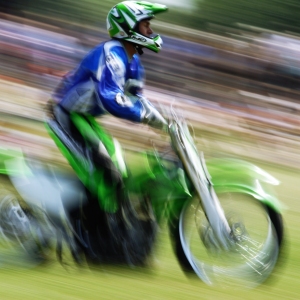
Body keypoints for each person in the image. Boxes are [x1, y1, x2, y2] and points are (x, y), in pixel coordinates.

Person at [46, 1, 168, 214]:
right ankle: (75, 226)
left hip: (83, 119)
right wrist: (146, 116)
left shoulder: (134, 62)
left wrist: (166, 122)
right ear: (129, 27)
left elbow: (137, 98)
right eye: (145, 25)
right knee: (104, 172)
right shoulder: (111, 53)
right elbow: (112, 98)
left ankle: (109, 227)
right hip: (64, 116)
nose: (150, 31)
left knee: (121, 173)